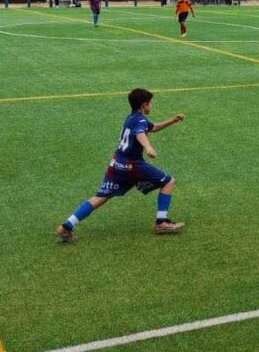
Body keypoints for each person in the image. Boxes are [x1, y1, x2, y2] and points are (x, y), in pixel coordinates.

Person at [55, 88, 186, 242]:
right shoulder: (140, 121)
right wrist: (148, 147)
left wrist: (173, 120)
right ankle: (162, 222)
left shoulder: (131, 118)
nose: (151, 106)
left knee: (101, 196)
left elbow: (153, 128)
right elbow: (140, 133)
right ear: (144, 105)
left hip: (117, 163)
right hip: (132, 165)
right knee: (169, 181)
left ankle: (66, 226)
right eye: (150, 103)